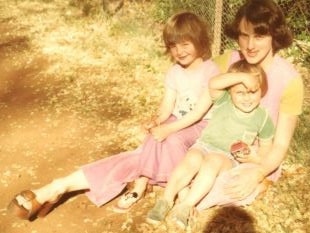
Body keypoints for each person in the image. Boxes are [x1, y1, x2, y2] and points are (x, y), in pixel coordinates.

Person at [8, 11, 220, 220]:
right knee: (152, 139)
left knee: (161, 143)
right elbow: (167, 107)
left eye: (185, 44)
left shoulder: (210, 71)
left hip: (199, 127)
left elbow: (198, 113)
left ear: (199, 41)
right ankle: (63, 186)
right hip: (176, 122)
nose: (179, 51)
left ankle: (145, 182)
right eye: (173, 46)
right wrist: (156, 121)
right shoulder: (174, 72)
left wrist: (167, 129)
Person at [194, 0, 304, 212]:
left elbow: (280, 145)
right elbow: (198, 96)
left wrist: (259, 172)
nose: (250, 45)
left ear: (275, 36)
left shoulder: (290, 80)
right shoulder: (228, 61)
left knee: (225, 188)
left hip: (256, 156)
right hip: (216, 142)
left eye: (259, 36)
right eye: (244, 35)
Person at [146, 60, 275, 228]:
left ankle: (186, 206)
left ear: (262, 90)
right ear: (230, 91)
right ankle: (166, 199)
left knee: (212, 161)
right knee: (191, 158)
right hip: (204, 145)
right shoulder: (224, 101)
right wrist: (243, 77)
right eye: (240, 92)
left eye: (252, 91)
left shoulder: (263, 118)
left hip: (226, 158)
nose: (246, 98)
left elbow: (266, 148)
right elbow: (213, 83)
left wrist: (254, 158)